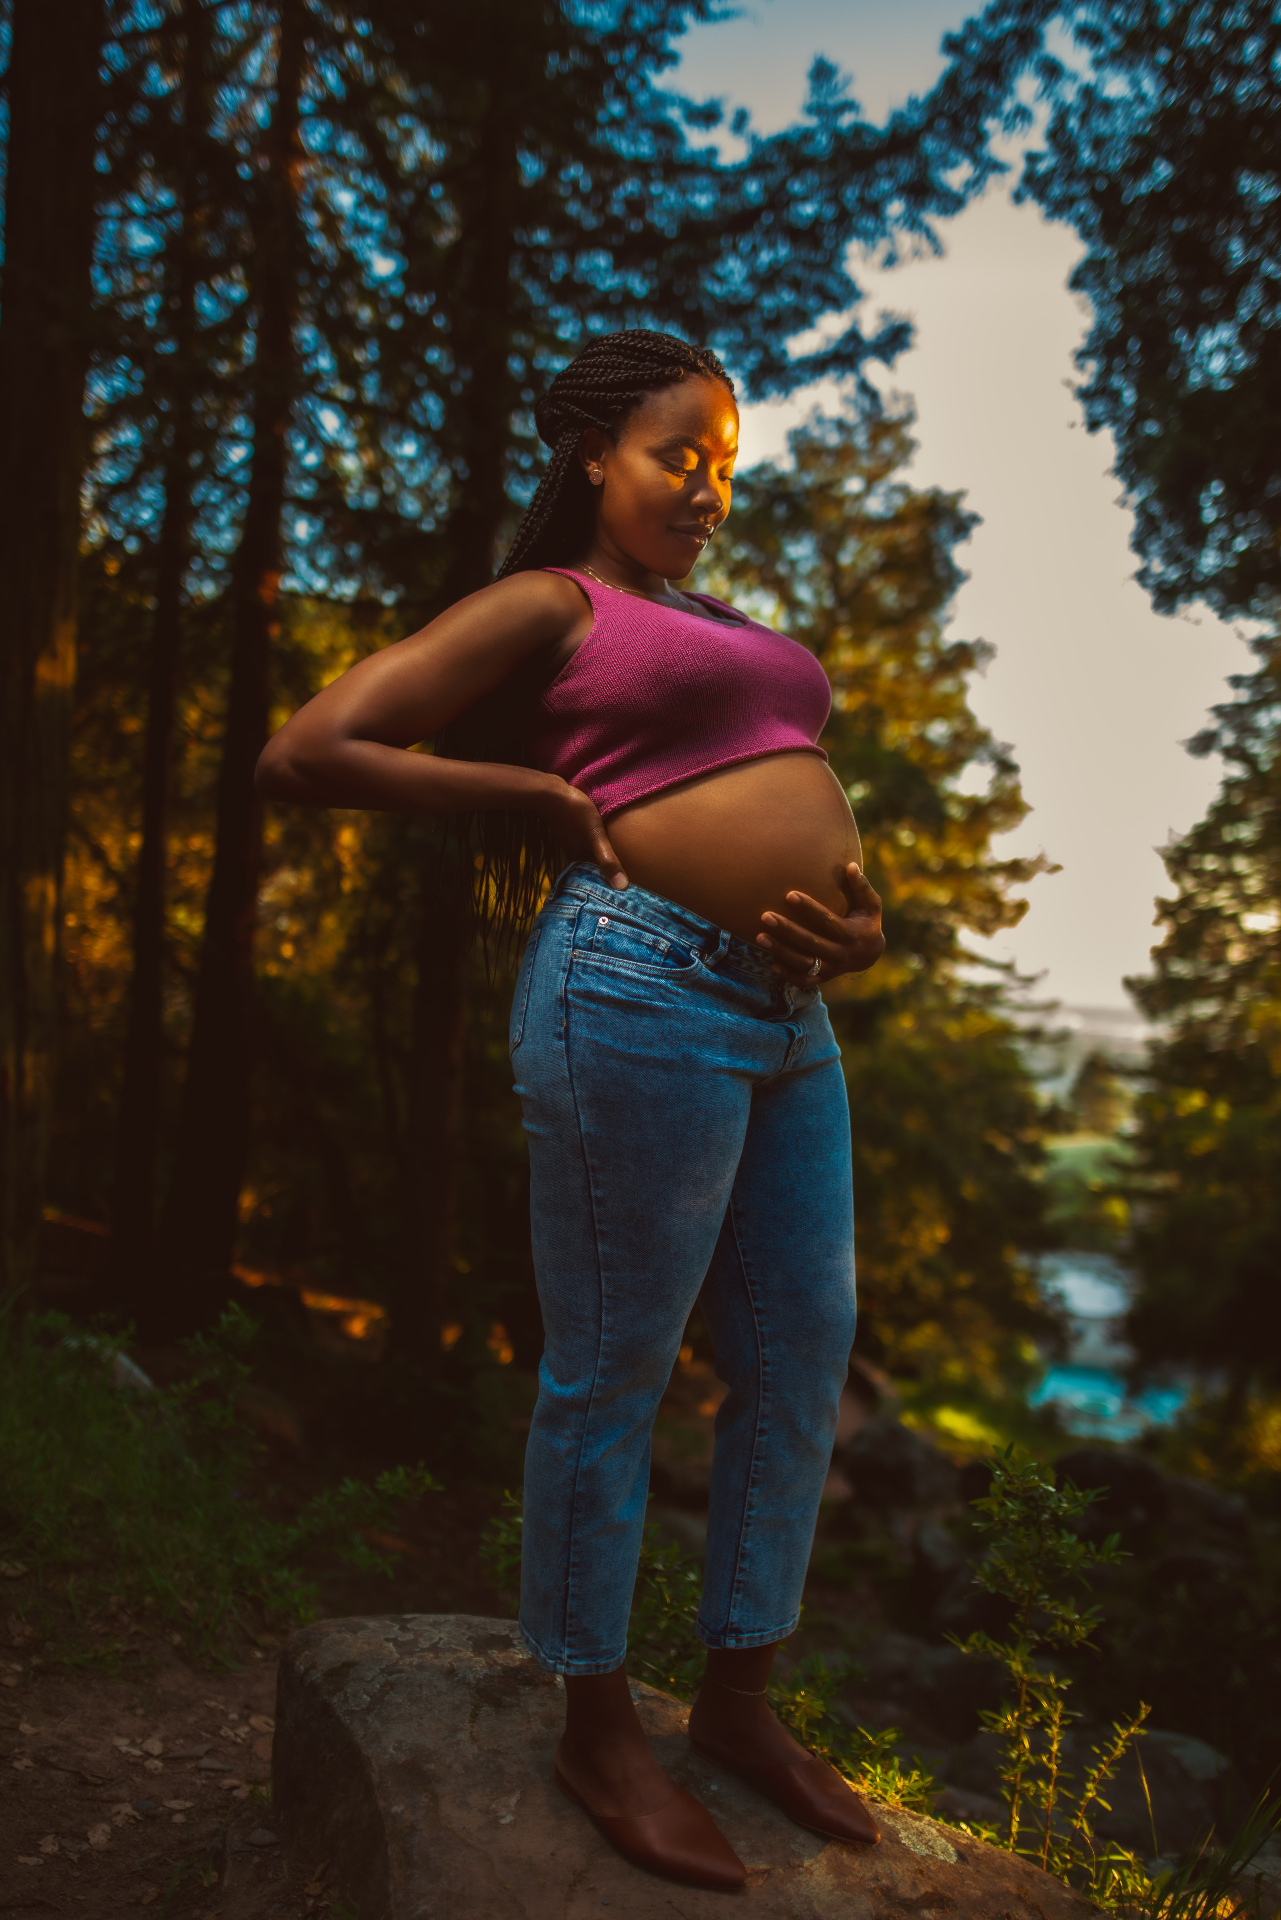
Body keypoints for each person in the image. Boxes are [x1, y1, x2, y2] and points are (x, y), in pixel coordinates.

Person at [256, 329, 887, 1892]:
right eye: (680, 451)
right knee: (612, 1372)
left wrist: (861, 928)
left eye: (727, 465)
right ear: (594, 451)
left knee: (804, 1342)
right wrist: (532, 799)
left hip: (787, 1018)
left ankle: (737, 1704)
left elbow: (787, 794)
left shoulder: (722, 626)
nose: (707, 485)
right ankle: (594, 1724)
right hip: (636, 992)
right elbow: (308, 749)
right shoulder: (553, 604)